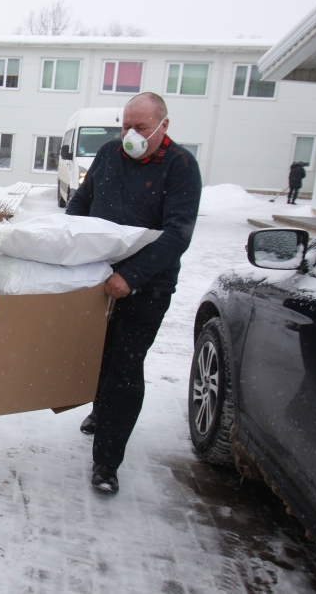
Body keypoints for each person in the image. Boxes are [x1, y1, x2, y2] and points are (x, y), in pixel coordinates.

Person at [66, 92, 202, 493]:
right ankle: (101, 411)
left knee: (125, 368)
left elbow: (177, 235)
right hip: (98, 279)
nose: (130, 135)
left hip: (148, 287)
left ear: (163, 126)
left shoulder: (180, 167)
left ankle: (107, 463)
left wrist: (132, 275)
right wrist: (68, 245)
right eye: (125, 126)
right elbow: (81, 203)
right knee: (99, 357)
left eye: (140, 127)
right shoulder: (109, 154)